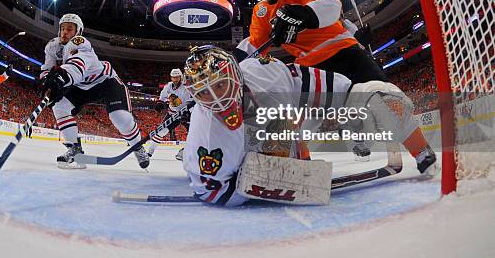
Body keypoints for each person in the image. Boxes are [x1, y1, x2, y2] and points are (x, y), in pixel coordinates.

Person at [181, 45, 437, 206]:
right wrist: (260, 184)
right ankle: (300, 159)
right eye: (203, 93)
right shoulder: (206, 137)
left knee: (381, 97)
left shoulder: (264, 73)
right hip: (254, 156)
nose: (217, 99)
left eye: (219, 85)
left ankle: (423, 153)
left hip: (298, 112)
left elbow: (308, 87)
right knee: (276, 136)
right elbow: (213, 192)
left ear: (235, 74)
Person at [237, 0, 427, 161]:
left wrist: (304, 14)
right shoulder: (262, 12)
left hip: (343, 51)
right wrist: (234, 62)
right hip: (311, 68)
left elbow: (332, 4)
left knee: (385, 96)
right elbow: (254, 44)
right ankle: (301, 166)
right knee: (292, 121)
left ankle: (421, 150)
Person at [40, 13, 150, 169]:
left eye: (70, 29)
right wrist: (47, 85)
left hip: (104, 82)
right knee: (59, 105)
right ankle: (74, 149)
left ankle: (138, 147)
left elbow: (76, 66)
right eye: (62, 28)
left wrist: (61, 77)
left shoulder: (81, 42)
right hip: (80, 85)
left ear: (78, 32)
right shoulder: (52, 46)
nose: (65, 32)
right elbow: (46, 68)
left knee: (120, 118)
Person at [150, 68, 192, 160]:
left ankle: (185, 151)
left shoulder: (186, 86)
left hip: (185, 114)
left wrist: (187, 111)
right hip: (172, 114)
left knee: (193, 134)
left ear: (180, 77)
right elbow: (163, 97)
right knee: (161, 132)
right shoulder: (168, 86)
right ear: (171, 78)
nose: (175, 79)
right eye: (173, 77)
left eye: (177, 77)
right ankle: (149, 153)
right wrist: (160, 103)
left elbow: (192, 100)